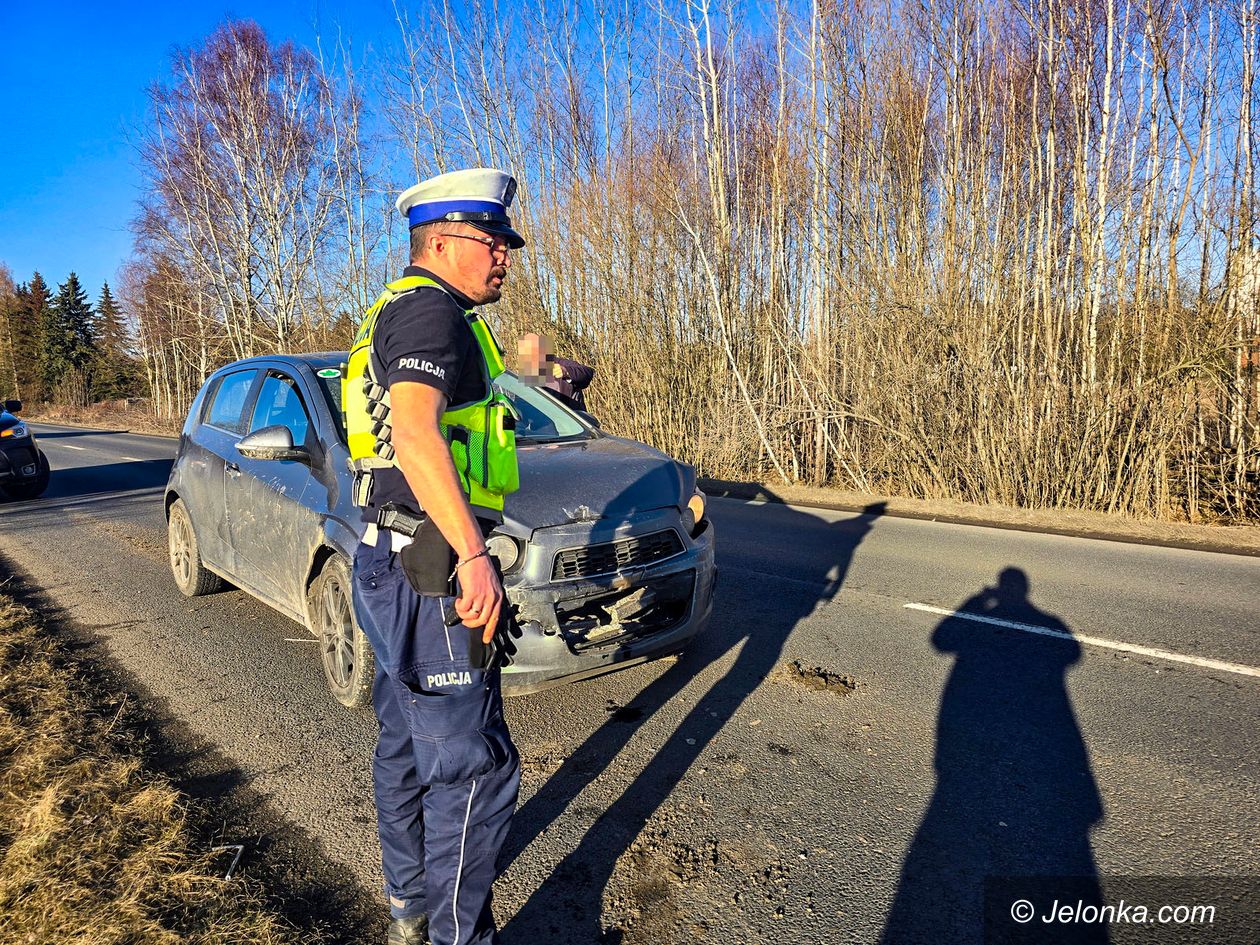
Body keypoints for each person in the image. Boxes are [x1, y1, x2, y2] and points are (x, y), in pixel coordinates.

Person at [343, 168, 525, 945]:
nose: (507, 258)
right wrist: (475, 554)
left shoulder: (396, 308)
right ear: (443, 241)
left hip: (389, 560)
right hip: (431, 572)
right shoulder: (431, 314)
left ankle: (410, 908)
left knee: (405, 745)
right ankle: (456, 936)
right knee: (474, 769)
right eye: (494, 242)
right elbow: (415, 434)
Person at [517, 331, 595, 412]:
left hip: (570, 421)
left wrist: (566, 372)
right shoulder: (527, 376)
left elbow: (588, 372)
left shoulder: (560, 364)